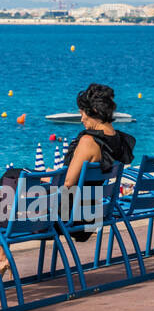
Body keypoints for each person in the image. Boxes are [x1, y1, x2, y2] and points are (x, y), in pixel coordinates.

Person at [1, 83, 137, 279]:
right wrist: (52, 175)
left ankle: (2, 256)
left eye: (84, 114)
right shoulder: (118, 140)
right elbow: (80, 179)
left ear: (96, 111)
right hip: (93, 212)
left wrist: (47, 179)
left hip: (70, 216)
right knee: (11, 190)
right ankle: (1, 254)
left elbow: (67, 184)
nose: (81, 118)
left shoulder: (89, 141)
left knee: (10, 180)